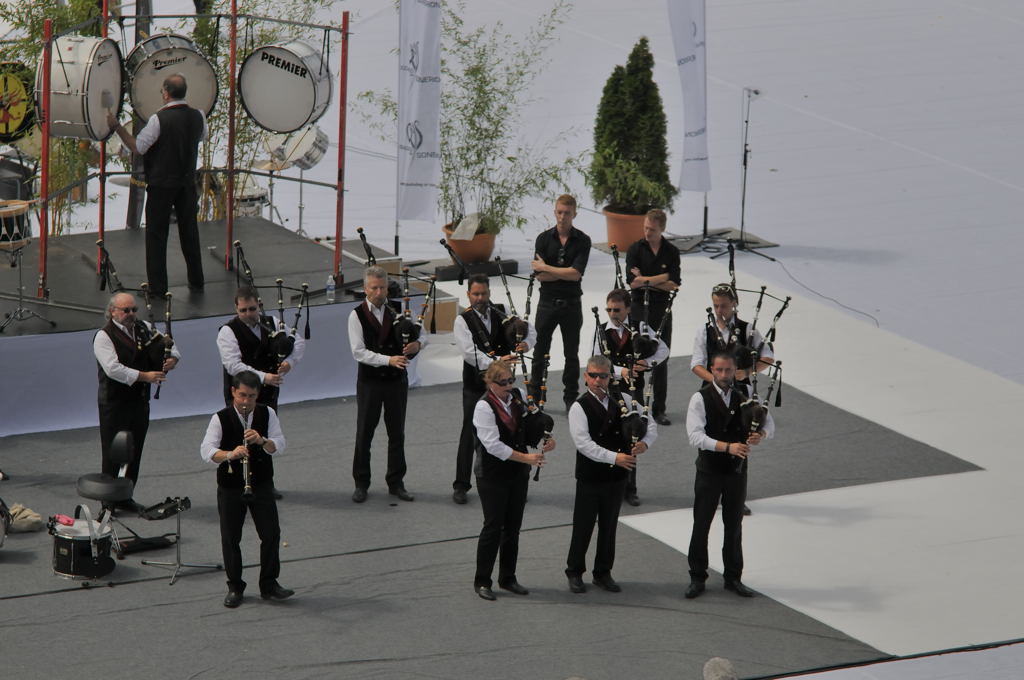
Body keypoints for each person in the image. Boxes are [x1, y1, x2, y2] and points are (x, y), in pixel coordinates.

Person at [684, 351, 774, 600]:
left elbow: (769, 424)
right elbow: (695, 437)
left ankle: (733, 577)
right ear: (712, 370)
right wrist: (728, 447)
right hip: (709, 472)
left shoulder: (744, 397)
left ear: (736, 371)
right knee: (701, 524)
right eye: (719, 370)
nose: (724, 375)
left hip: (737, 473)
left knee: (734, 526)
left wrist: (760, 435)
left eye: (729, 370)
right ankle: (697, 576)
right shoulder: (699, 398)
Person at [200, 371, 293, 608]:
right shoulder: (219, 418)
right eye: (242, 395)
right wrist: (230, 454)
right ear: (233, 392)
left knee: (271, 534)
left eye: (251, 396)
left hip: (261, 484)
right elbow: (207, 451)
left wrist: (261, 441)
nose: (246, 401)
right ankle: (235, 586)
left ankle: (269, 584)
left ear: (257, 395)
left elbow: (279, 445)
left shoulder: (267, 413)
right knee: (231, 538)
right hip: (231, 487)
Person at [565, 355, 657, 594]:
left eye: (603, 376)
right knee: (583, 526)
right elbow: (583, 444)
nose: (598, 380)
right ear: (585, 376)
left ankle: (603, 572)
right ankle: (574, 572)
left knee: (609, 527)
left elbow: (650, 423)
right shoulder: (579, 407)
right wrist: (615, 457)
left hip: (617, 478)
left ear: (610, 377)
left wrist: (645, 444)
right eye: (593, 375)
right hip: (590, 476)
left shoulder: (624, 399)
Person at [108, 72, 205, 295]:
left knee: (156, 236)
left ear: (166, 93)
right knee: (189, 232)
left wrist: (117, 127)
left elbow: (138, 147)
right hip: (187, 182)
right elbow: (199, 138)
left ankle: (158, 288)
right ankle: (197, 280)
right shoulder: (198, 116)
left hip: (162, 183)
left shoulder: (158, 119)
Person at [472, 361, 554, 601]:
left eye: (511, 381)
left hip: (518, 473)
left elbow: (528, 426)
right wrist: (526, 458)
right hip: (493, 475)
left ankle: (508, 578)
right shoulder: (483, 407)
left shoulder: (516, 396)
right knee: (493, 527)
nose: (509, 386)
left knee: (513, 527)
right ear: (490, 383)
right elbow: (493, 446)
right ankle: (482, 580)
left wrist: (547, 439)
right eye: (503, 383)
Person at [452, 274, 536, 505]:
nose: (481, 298)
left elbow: (528, 328)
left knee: (510, 430)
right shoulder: (462, 320)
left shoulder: (502, 311)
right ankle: (461, 484)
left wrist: (527, 342)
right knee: (470, 434)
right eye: (476, 294)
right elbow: (470, 353)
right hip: (475, 385)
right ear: (468, 295)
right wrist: (499, 361)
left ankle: (514, 480)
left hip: (504, 387)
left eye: (484, 293)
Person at [94, 292, 180, 513]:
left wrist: (173, 359)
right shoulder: (104, 336)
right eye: (126, 310)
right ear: (113, 311)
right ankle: (108, 500)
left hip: (139, 401)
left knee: (134, 449)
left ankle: (126, 496)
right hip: (114, 403)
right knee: (113, 451)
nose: (131, 314)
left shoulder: (143, 328)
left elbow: (169, 343)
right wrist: (145, 376)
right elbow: (113, 369)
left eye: (134, 310)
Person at [348, 266, 424, 503]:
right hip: (370, 383)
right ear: (365, 288)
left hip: (396, 383)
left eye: (382, 287)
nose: (379, 292)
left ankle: (396, 482)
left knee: (396, 433)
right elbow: (359, 352)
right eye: (374, 288)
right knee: (364, 433)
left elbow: (421, 335)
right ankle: (361, 482)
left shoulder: (400, 310)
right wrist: (389, 360)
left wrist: (418, 345)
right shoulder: (356, 315)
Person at [592, 288, 668, 507]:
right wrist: (620, 371)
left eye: (617, 309)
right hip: (610, 389)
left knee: (632, 436)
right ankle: (607, 484)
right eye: (609, 309)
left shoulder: (640, 327)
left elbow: (663, 349)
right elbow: (595, 360)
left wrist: (648, 363)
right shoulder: (601, 331)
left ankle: (630, 488)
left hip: (635, 391)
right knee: (606, 435)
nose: (612, 313)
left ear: (627, 309)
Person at [529, 194, 592, 410]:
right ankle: (535, 397)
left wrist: (548, 267)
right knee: (539, 352)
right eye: (559, 212)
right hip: (547, 303)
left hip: (572, 304)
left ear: (575, 213)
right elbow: (540, 276)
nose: (562, 217)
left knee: (571, 354)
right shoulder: (543, 239)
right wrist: (561, 272)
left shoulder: (583, 240)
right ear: (554, 212)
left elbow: (576, 274)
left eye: (567, 213)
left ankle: (570, 399)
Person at [625, 208, 680, 426]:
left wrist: (646, 279)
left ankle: (659, 410)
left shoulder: (672, 251)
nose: (648, 232)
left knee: (661, 361)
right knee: (638, 359)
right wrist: (661, 278)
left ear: (662, 229)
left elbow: (674, 283)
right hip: (639, 309)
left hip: (662, 310)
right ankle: (638, 407)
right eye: (646, 227)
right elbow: (633, 283)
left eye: (653, 230)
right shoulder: (635, 249)